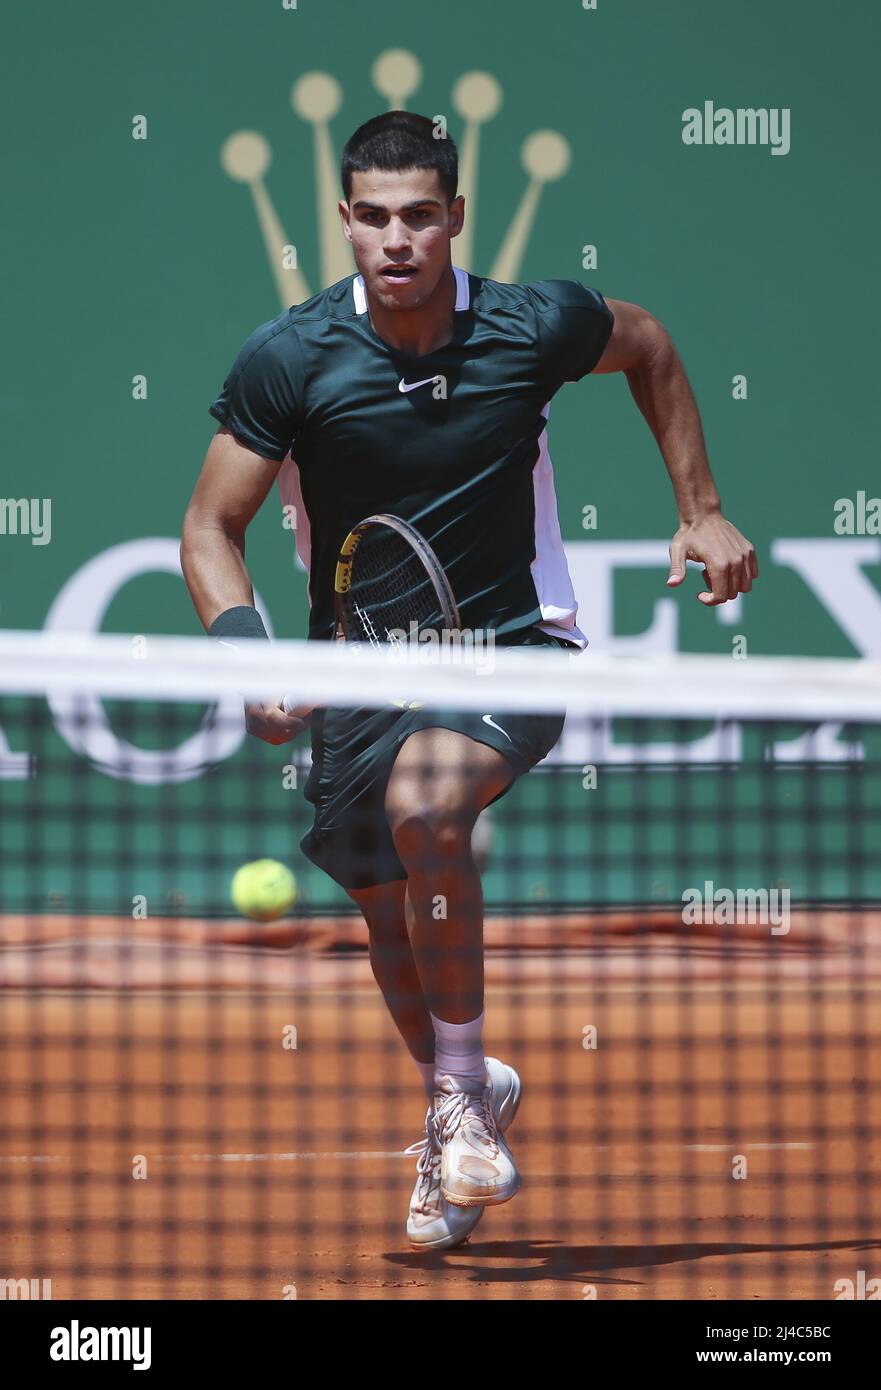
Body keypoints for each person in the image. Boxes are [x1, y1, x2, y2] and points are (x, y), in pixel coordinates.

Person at [181, 110, 757, 1251]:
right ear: (344, 223)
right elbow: (208, 527)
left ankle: (452, 1101)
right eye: (373, 219)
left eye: (419, 217)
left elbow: (644, 341)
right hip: (355, 667)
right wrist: (251, 657)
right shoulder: (290, 358)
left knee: (425, 809)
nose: (396, 239)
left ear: (454, 219)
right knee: (385, 906)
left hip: (510, 638)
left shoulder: (528, 324)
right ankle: (464, 1088)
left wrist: (698, 507)